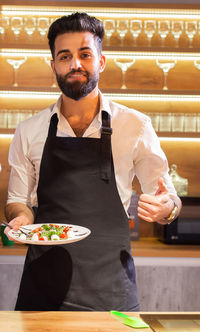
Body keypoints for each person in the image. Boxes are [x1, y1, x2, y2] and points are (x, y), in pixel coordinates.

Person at [4, 12, 181, 312]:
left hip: (112, 292)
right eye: (65, 56)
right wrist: (21, 219)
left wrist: (167, 208)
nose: (75, 64)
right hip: (42, 293)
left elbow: (169, 199)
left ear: (100, 61)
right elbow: (17, 201)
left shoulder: (135, 126)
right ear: (53, 66)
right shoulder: (29, 130)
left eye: (85, 54)